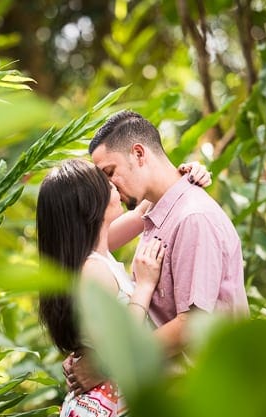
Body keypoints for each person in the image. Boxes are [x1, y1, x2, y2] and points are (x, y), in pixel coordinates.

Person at [65, 110, 250, 395]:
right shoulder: (156, 212)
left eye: (110, 173)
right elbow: (91, 245)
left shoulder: (192, 217)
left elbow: (192, 325)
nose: (108, 188)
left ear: (139, 154)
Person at [37, 158, 211, 417]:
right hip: (111, 407)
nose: (115, 185)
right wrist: (144, 285)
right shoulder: (92, 269)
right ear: (89, 205)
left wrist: (181, 175)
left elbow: (142, 212)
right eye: (105, 184)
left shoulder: (91, 253)